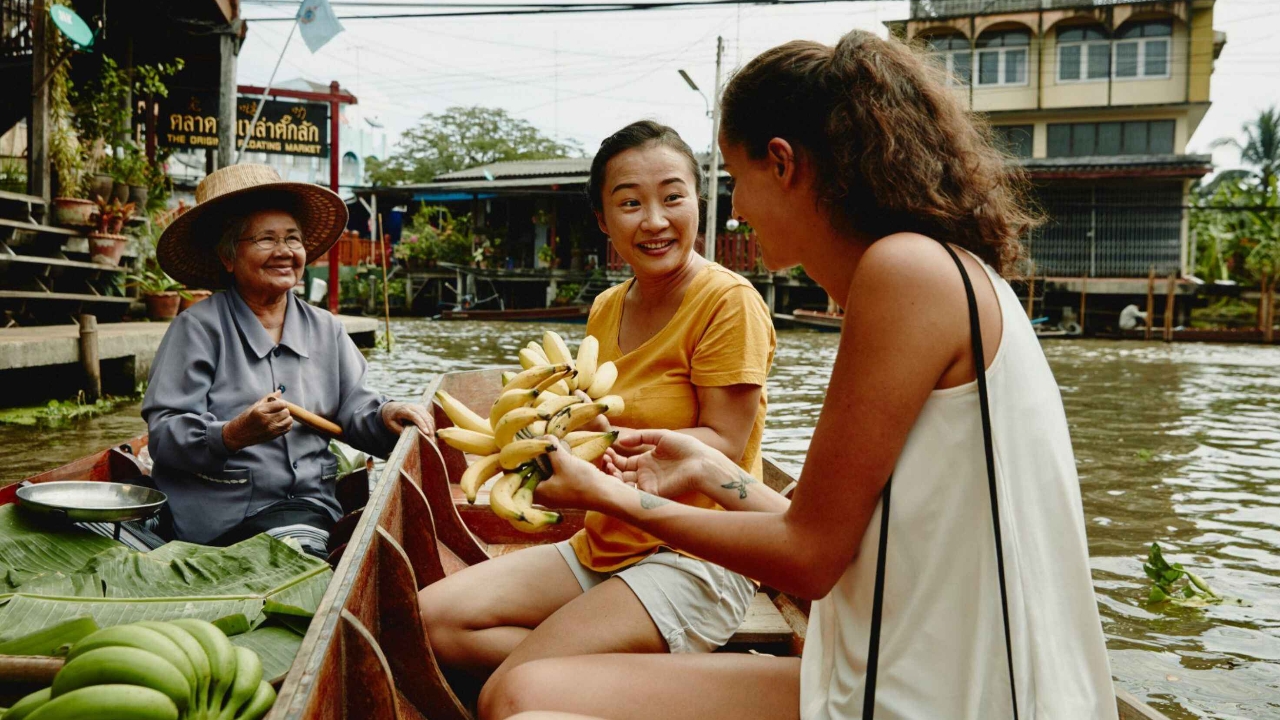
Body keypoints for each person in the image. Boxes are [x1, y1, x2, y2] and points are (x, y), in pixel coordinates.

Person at [483, 31, 1119, 720]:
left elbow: (810, 559)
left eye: (738, 178)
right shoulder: (946, 269)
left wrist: (613, 497)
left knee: (529, 714)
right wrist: (707, 471)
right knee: (519, 689)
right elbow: (833, 532)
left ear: (782, 163)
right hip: (874, 670)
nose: (739, 212)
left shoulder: (904, 273)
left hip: (934, 700)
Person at [417, 121, 776, 714]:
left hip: (698, 558)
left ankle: (634, 677)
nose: (655, 220)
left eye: (672, 196)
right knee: (434, 621)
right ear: (604, 221)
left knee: (511, 692)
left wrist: (606, 466)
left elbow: (726, 442)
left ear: (698, 203)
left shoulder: (728, 301)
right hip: (605, 543)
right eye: (630, 203)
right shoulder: (609, 305)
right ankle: (651, 680)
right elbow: (588, 412)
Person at [142, 164, 433, 557]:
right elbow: (165, 436)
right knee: (304, 550)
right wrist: (232, 434)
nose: (284, 252)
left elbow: (357, 411)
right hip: (221, 519)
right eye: (265, 239)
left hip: (312, 508)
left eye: (293, 239)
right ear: (228, 257)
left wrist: (386, 415)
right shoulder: (197, 328)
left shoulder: (326, 329)